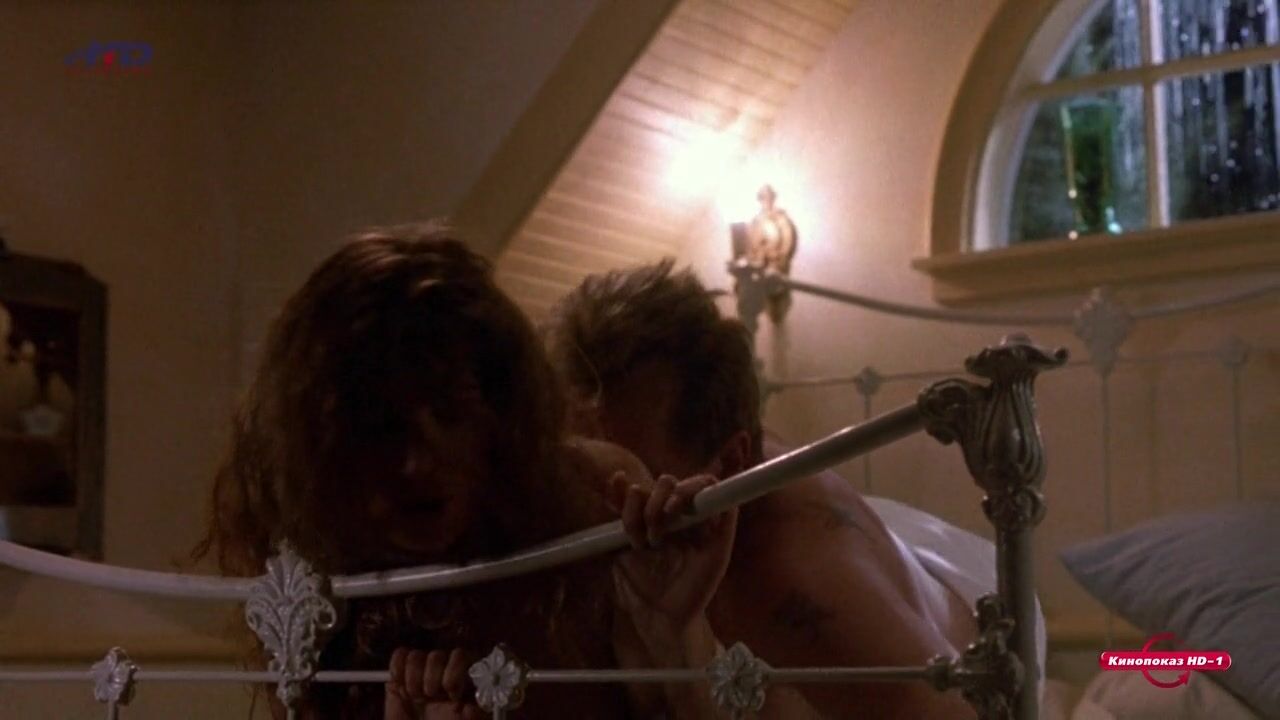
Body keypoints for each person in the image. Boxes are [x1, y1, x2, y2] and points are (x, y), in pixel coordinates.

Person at [545, 260, 980, 719]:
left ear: (730, 464)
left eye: (636, 478)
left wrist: (677, 650)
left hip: (973, 602)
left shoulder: (796, 576)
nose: (605, 503)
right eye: (584, 466)